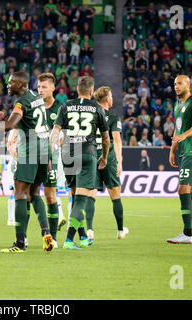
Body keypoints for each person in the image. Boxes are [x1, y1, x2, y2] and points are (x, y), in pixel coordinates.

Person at [0, 71, 54, 253]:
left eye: (11, 82)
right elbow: (23, 121)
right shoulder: (36, 97)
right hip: (44, 148)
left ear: (20, 84)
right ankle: (46, 233)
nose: (7, 84)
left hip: (30, 148)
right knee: (35, 193)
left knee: (19, 192)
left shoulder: (21, 102)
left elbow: (12, 125)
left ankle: (20, 244)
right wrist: (3, 118)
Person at [50, 76, 111, 250]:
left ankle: (83, 236)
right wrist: (104, 157)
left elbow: (55, 132)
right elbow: (106, 140)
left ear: (77, 90)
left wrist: (49, 153)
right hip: (87, 154)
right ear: (92, 92)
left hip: (68, 155)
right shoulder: (96, 108)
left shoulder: (65, 106)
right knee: (82, 199)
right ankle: (69, 240)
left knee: (76, 196)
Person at [87, 86, 129, 242]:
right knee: (115, 194)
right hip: (108, 157)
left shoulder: (90, 114)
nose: (112, 98)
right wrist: (119, 161)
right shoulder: (112, 116)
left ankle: (90, 230)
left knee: (91, 194)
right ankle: (120, 230)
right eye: (111, 96)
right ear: (106, 99)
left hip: (92, 156)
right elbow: (116, 140)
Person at [168, 75, 192, 244]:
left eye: (180, 83)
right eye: (175, 84)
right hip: (183, 152)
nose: (176, 86)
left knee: (182, 189)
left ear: (188, 85)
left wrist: (183, 136)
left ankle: (187, 233)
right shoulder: (177, 104)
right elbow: (177, 129)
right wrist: (172, 150)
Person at [36, 73, 66, 246]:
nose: (40, 90)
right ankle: (21, 239)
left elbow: (66, 134)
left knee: (50, 196)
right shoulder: (34, 107)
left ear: (53, 88)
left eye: (44, 87)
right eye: (39, 87)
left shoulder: (61, 108)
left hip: (52, 159)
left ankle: (53, 238)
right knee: (24, 195)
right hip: (32, 157)